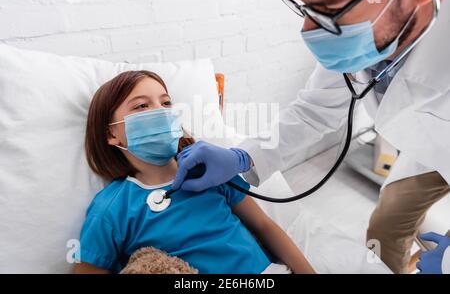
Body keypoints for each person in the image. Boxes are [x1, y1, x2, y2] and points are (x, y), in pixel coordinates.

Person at [172, 0, 450, 274]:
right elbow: (313, 111)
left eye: (330, 11)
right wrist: (243, 157)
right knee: (388, 223)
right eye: (306, 9)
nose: (308, 31)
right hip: (426, 150)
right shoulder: (363, 36)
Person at [73, 70, 315, 274]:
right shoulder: (112, 209)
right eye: (142, 106)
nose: (161, 111)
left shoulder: (211, 170)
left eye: (166, 103)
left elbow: (264, 226)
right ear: (111, 134)